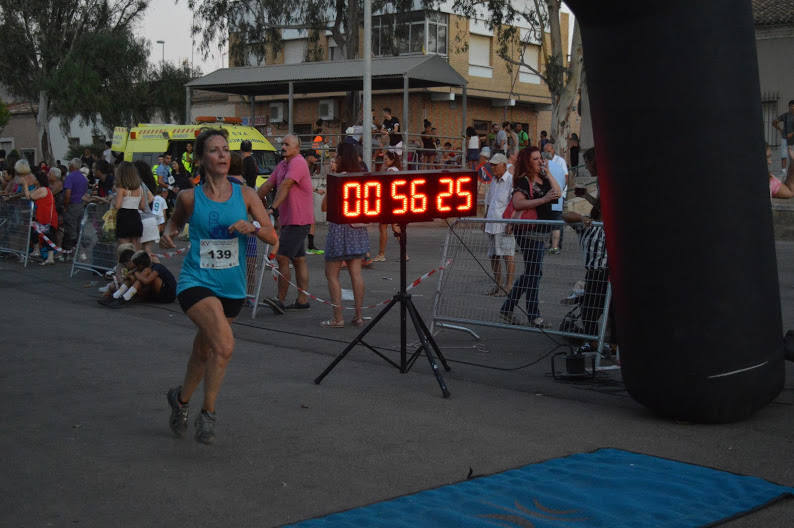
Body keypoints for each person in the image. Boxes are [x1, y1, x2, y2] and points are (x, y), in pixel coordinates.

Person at [160, 128, 277, 445]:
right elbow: (174, 221)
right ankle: (207, 414)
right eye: (214, 150)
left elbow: (272, 237)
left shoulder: (247, 195)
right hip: (196, 282)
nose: (223, 155)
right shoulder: (189, 197)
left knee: (204, 349)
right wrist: (168, 232)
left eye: (226, 149)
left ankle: (180, 401)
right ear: (200, 159)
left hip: (233, 287)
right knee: (224, 345)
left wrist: (251, 227)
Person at [500, 147, 562, 327]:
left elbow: (557, 193)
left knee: (532, 273)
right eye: (535, 159)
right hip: (528, 232)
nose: (539, 161)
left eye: (540, 158)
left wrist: (548, 172)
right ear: (527, 161)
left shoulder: (542, 178)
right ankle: (534, 316)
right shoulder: (522, 180)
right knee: (534, 274)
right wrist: (542, 200)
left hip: (542, 231)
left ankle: (507, 308)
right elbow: (518, 203)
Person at [256, 134, 314, 312]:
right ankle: (302, 300)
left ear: (297, 148)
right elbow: (267, 185)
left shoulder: (298, 162)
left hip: (299, 220)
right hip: (290, 220)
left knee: (282, 257)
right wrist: (252, 204)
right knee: (299, 260)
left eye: (287, 144)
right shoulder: (282, 165)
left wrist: (273, 207)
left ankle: (280, 300)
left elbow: (287, 184)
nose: (283, 147)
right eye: (282, 144)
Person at [562, 147, 614, 344]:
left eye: (588, 162)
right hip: (597, 268)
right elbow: (596, 206)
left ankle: (597, 341)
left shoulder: (605, 181)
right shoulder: (589, 226)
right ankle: (600, 341)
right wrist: (585, 199)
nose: (587, 166)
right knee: (597, 307)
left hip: (599, 270)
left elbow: (600, 207)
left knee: (594, 308)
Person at [320, 142, 370, 328]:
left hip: (339, 229)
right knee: (356, 273)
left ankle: (338, 317)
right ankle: (358, 315)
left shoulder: (337, 178)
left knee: (331, 274)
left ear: (341, 157)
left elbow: (324, 207)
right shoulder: (361, 177)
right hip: (358, 229)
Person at [483, 153, 515, 296]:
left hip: (504, 224)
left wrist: (511, 222)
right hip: (491, 223)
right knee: (493, 256)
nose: (493, 167)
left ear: (503, 164)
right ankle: (497, 284)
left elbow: (513, 203)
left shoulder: (510, 181)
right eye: (492, 165)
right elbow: (490, 202)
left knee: (507, 255)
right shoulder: (494, 181)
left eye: (495, 165)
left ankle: (508, 286)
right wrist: (484, 219)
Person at [101, 250, 177, 307]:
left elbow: (146, 281)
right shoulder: (145, 267)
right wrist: (131, 275)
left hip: (168, 296)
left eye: (137, 265)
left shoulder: (157, 267)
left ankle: (125, 298)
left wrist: (135, 273)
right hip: (157, 293)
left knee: (142, 277)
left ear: (141, 264)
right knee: (136, 277)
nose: (136, 267)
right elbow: (129, 275)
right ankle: (116, 296)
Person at [23, 167, 59, 265]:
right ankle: (37, 251)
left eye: (34, 178)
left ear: (38, 180)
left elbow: (29, 196)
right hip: (42, 216)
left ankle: (50, 258)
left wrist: (25, 184)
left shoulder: (42, 189)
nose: (32, 180)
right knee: (35, 232)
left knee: (48, 236)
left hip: (47, 217)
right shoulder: (40, 189)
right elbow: (30, 194)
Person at [373, 151, 402, 262]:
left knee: (383, 228)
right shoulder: (396, 170)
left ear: (392, 160)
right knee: (395, 228)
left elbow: (386, 185)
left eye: (386, 159)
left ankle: (381, 254)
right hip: (394, 202)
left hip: (388, 203)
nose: (384, 161)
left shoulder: (390, 171)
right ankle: (404, 253)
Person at [543, 141, 569, 254]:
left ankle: (557, 245)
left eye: (549, 151)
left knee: (557, 220)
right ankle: (550, 244)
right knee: (549, 219)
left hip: (558, 195)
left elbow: (566, 177)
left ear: (553, 150)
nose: (547, 153)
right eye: (545, 151)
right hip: (548, 195)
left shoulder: (560, 161)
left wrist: (561, 192)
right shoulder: (544, 161)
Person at [60, 158, 89, 260]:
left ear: (72, 166)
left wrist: (65, 205)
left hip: (72, 205)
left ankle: (67, 253)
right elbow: (85, 194)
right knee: (78, 230)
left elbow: (67, 194)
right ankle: (78, 253)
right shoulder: (83, 178)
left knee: (69, 230)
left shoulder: (70, 177)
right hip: (81, 206)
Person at [114, 162, 147, 250]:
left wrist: (112, 200)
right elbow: (143, 206)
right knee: (136, 249)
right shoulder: (140, 187)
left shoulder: (121, 187)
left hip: (124, 217)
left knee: (124, 250)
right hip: (136, 216)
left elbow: (117, 206)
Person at [773, 100, 794, 178]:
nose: (792, 107)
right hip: (785, 138)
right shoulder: (785, 115)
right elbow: (774, 122)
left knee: (792, 156)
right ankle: (783, 172)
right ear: (789, 107)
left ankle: (792, 171)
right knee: (784, 155)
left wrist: (792, 133)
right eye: (791, 106)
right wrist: (780, 129)